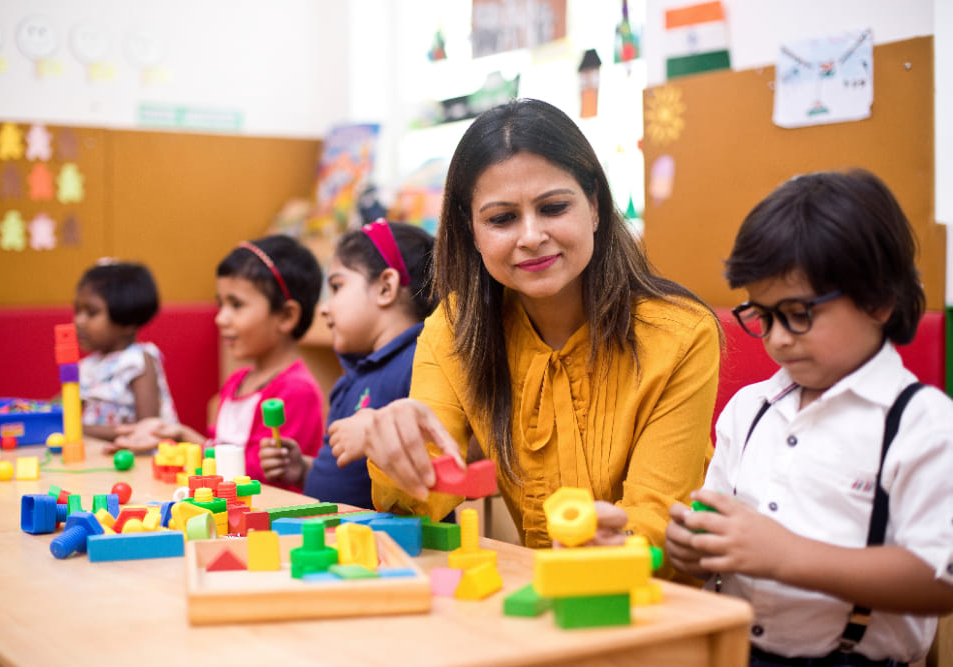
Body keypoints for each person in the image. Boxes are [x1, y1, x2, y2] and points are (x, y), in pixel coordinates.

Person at [329, 98, 721, 570]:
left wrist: (613, 541)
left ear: (594, 205)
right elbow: (419, 503)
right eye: (501, 219)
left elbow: (656, 520)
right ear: (471, 230)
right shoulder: (453, 328)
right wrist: (394, 446)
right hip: (537, 601)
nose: (531, 236)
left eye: (553, 207)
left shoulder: (679, 334)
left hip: (655, 605)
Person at [664, 170, 953, 666]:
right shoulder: (749, 411)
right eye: (763, 315)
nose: (776, 338)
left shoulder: (922, 424)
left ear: (878, 299)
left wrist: (785, 556)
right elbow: (715, 533)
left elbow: (940, 578)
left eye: (798, 313)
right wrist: (689, 549)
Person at [111, 235, 325, 492]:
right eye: (221, 303)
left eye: (236, 305)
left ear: (287, 316)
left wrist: (184, 436)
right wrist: (171, 438)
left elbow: (261, 476)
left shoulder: (296, 390)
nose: (221, 318)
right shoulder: (237, 381)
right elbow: (216, 448)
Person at [258, 220, 437, 508]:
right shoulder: (353, 376)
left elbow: (434, 459)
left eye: (337, 286)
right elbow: (351, 479)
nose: (325, 307)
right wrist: (305, 470)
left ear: (385, 288)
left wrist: (372, 436)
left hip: (392, 547)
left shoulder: (422, 362)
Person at [73, 260, 178, 442]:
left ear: (128, 321)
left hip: (136, 461)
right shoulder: (87, 366)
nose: (79, 321)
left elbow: (147, 429)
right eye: (77, 310)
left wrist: (76, 429)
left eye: (91, 313)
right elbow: (60, 405)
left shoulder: (137, 361)